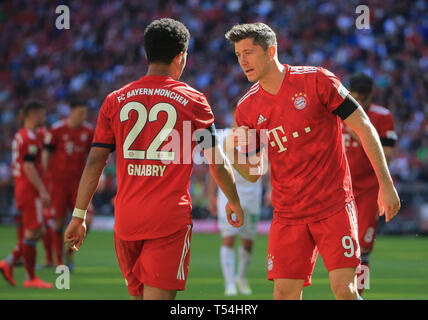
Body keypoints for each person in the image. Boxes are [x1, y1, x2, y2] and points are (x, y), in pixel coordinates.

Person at [64, 18, 244, 300]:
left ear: (146, 54)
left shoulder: (115, 99)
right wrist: (233, 199)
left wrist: (79, 215)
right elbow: (216, 161)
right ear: (180, 56)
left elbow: (95, 161)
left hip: (126, 220)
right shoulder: (193, 101)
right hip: (168, 221)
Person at [224, 23, 400, 300]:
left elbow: (364, 126)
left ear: (271, 52)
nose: (243, 60)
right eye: (237, 54)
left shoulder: (317, 81)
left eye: (249, 52)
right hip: (288, 215)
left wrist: (385, 185)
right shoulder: (247, 108)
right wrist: (233, 153)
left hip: (334, 206)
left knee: (345, 290)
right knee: (283, 294)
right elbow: (255, 173)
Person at [342, 72, 397, 295]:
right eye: (356, 98)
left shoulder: (383, 116)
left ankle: (359, 294)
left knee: (363, 249)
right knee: (342, 249)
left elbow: (387, 155)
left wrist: (358, 131)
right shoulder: (337, 111)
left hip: (368, 190)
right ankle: (345, 291)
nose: (361, 103)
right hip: (339, 189)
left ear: (371, 96)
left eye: (364, 99)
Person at [208, 113, 264, 296]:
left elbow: (267, 167)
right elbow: (214, 168)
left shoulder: (257, 138)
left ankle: (240, 277)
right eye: (236, 118)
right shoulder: (222, 137)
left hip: (252, 195)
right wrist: (211, 196)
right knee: (229, 238)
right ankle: (230, 284)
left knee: (248, 242)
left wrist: (271, 190)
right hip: (228, 194)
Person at [0, 100, 53, 289]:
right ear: (33, 114)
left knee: (36, 231)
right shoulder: (29, 138)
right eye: (42, 114)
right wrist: (42, 190)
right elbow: (29, 166)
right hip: (29, 189)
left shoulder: (22, 135)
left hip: (21, 188)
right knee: (35, 231)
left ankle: (10, 262)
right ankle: (28, 276)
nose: (44, 118)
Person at [41, 100, 94, 269]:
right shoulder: (56, 129)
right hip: (57, 183)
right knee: (57, 222)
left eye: (85, 113)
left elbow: (93, 157)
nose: (83, 117)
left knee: (88, 219)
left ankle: (69, 254)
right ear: (71, 112)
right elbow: (46, 153)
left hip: (79, 184)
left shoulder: (88, 131)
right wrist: (44, 178)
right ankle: (59, 261)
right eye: (80, 113)